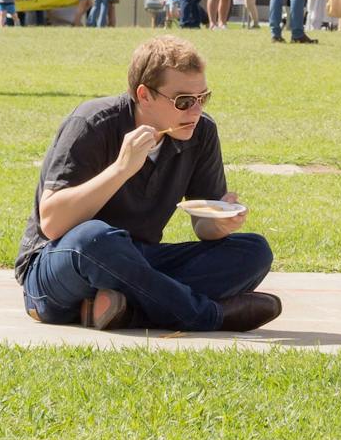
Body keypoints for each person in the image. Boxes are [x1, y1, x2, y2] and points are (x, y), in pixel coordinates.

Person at [15, 36, 280, 332]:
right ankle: (209, 316)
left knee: (253, 251)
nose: (195, 111)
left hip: (139, 261)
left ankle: (125, 312)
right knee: (96, 239)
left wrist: (221, 224)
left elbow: (203, 226)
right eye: (183, 101)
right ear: (144, 95)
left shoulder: (200, 132)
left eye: (202, 98)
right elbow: (52, 223)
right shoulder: (91, 123)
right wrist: (120, 169)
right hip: (58, 266)